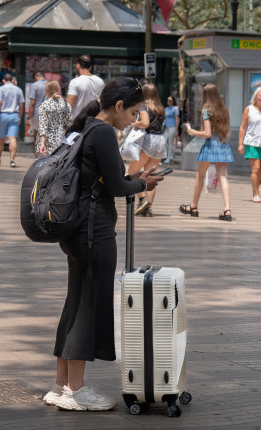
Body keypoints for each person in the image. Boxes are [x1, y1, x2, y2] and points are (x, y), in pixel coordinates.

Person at [45, 77, 163, 412]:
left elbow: (102, 180)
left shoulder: (85, 129)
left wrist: (136, 181)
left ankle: (61, 385)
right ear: (119, 105)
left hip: (75, 228)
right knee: (87, 306)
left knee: (75, 301)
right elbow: (114, 186)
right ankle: (76, 390)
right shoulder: (103, 133)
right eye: (134, 112)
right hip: (94, 230)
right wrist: (141, 182)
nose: (133, 119)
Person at [179, 83, 234, 221]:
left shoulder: (205, 110)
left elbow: (207, 133)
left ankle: (193, 206)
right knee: (223, 177)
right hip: (222, 144)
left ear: (205, 95)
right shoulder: (224, 109)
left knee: (200, 176)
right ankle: (227, 209)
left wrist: (192, 131)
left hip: (210, 146)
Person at [127, 83, 168, 218]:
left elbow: (145, 123)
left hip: (148, 140)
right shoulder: (161, 108)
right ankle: (148, 208)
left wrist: (134, 123)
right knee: (151, 176)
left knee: (133, 172)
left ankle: (142, 200)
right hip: (160, 141)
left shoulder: (144, 106)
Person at [238, 87, 261, 203]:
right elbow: (243, 127)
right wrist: (240, 144)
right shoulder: (249, 109)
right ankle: (256, 193)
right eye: (260, 96)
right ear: (256, 97)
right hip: (251, 142)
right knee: (256, 168)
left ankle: (255, 186)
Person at [0, 72, 25, 167]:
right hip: (14, 115)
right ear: (12, 80)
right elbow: (21, 105)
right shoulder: (18, 90)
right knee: (12, 138)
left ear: (3, 80)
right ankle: (12, 160)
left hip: (3, 115)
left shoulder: (1, 89)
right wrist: (19, 116)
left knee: (0, 139)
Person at [37, 80, 71, 157]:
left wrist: (42, 143)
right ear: (58, 89)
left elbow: (43, 125)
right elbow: (69, 122)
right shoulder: (66, 105)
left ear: (46, 91)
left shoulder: (44, 106)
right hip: (62, 140)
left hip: (48, 141)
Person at [26, 71, 48, 155]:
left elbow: (32, 102)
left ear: (35, 77)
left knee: (36, 136)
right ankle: (45, 155)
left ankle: (36, 156)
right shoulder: (49, 84)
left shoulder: (34, 85)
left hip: (37, 114)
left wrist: (29, 117)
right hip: (48, 113)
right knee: (46, 136)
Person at [162, 95, 180, 164]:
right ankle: (167, 156)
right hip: (166, 126)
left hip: (172, 126)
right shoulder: (166, 108)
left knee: (170, 142)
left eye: (170, 100)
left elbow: (177, 119)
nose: (168, 102)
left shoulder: (175, 108)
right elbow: (165, 118)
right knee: (164, 141)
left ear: (173, 101)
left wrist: (176, 129)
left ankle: (170, 157)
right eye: (168, 100)